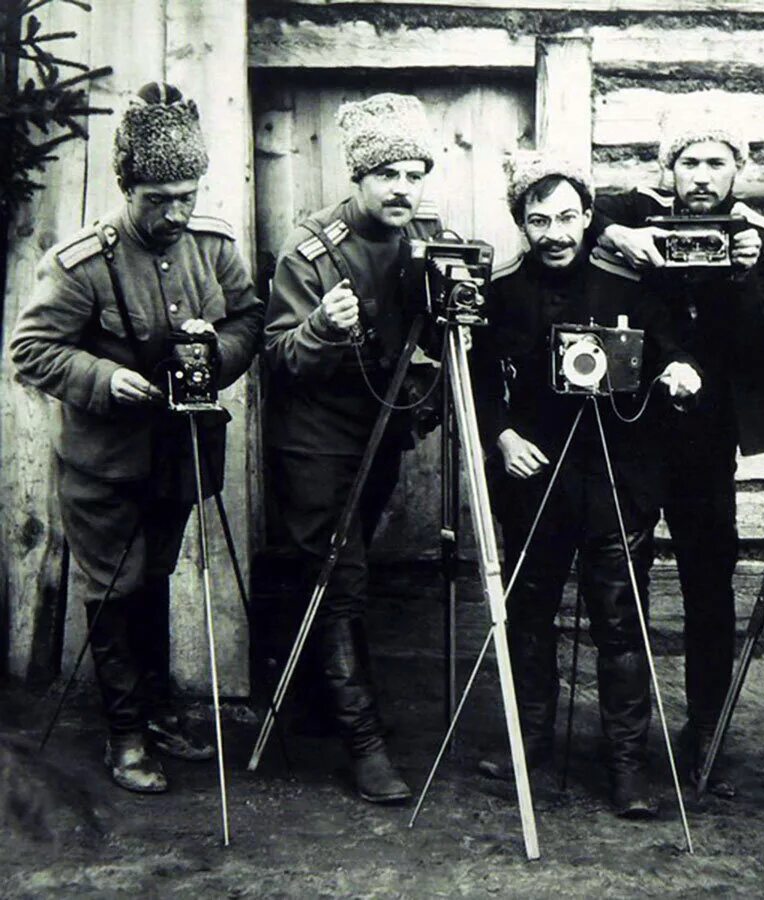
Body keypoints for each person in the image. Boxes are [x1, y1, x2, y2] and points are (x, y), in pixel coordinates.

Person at [8, 82, 264, 793]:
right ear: (128, 188)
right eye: (160, 199)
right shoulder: (81, 263)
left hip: (179, 453)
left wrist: (216, 355)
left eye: (187, 194)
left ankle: (157, 712)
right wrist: (102, 379)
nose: (177, 212)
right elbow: (31, 350)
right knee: (114, 584)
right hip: (104, 463)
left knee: (154, 574)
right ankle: (124, 737)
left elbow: (249, 320)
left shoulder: (211, 246)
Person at [472, 152, 702, 817]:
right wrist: (503, 437)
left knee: (620, 624)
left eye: (568, 216)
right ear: (521, 222)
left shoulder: (628, 287)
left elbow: (675, 351)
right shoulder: (500, 292)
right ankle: (530, 741)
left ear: (589, 216)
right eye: (539, 218)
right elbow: (481, 379)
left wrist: (679, 373)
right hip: (534, 478)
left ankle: (626, 764)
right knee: (530, 613)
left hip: (616, 478)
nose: (554, 232)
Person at [593, 109, 764, 797]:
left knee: (710, 584)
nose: (701, 176)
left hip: (710, 442)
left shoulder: (759, 240)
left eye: (715, 163)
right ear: (668, 170)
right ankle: (625, 731)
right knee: (625, 579)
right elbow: (580, 207)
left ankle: (706, 724)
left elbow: (759, 347)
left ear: (737, 171)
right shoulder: (636, 215)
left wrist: (744, 276)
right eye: (689, 163)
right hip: (637, 430)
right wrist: (618, 233)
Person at [262, 93, 443, 803]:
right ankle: (363, 745)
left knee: (338, 573)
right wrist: (323, 331)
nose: (403, 187)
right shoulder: (310, 250)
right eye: (388, 173)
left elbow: (433, 338)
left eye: (414, 172)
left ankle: (312, 708)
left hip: (380, 437)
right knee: (340, 580)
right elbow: (279, 359)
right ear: (358, 177)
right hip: (314, 445)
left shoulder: (421, 242)